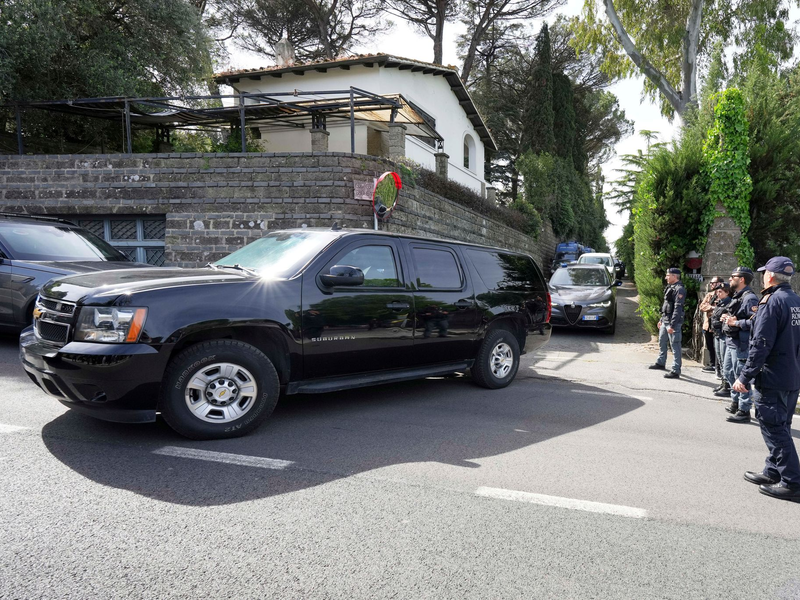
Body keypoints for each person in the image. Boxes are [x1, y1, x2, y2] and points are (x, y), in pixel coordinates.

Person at [732, 257, 800, 502]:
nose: (762, 277)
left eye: (764, 273)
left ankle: (792, 482)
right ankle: (773, 471)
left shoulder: (771, 302)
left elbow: (760, 344)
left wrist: (744, 376)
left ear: (770, 276)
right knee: (780, 426)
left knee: (774, 429)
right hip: (791, 377)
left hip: (772, 378)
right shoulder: (796, 301)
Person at [720, 267, 759, 422]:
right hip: (732, 342)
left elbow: (756, 322)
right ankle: (736, 401)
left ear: (741, 279)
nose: (730, 279)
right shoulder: (739, 296)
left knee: (741, 377)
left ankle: (744, 410)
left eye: (732, 276)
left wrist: (736, 322)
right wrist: (727, 317)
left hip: (741, 345)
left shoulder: (750, 298)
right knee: (728, 372)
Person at [649, 267, 686, 378]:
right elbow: (666, 306)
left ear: (674, 276)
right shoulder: (670, 287)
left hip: (672, 323)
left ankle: (676, 370)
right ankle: (661, 362)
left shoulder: (680, 289)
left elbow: (677, 308)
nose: (666, 277)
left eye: (668, 275)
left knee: (675, 346)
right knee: (662, 342)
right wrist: (661, 319)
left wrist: (673, 325)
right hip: (665, 321)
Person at [698, 277, 726, 374]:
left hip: (718, 325)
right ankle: (712, 364)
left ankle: (719, 367)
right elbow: (702, 306)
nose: (711, 285)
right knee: (710, 345)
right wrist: (712, 307)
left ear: (720, 283)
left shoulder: (724, 294)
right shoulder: (710, 295)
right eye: (711, 283)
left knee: (718, 347)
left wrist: (715, 309)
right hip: (708, 325)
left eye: (713, 283)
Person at [710, 284, 733, 397]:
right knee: (719, 359)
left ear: (727, 292)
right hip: (717, 333)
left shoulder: (729, 303)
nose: (718, 294)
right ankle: (723, 383)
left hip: (723, 334)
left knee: (724, 361)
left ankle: (727, 385)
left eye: (720, 292)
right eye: (717, 292)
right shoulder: (720, 302)